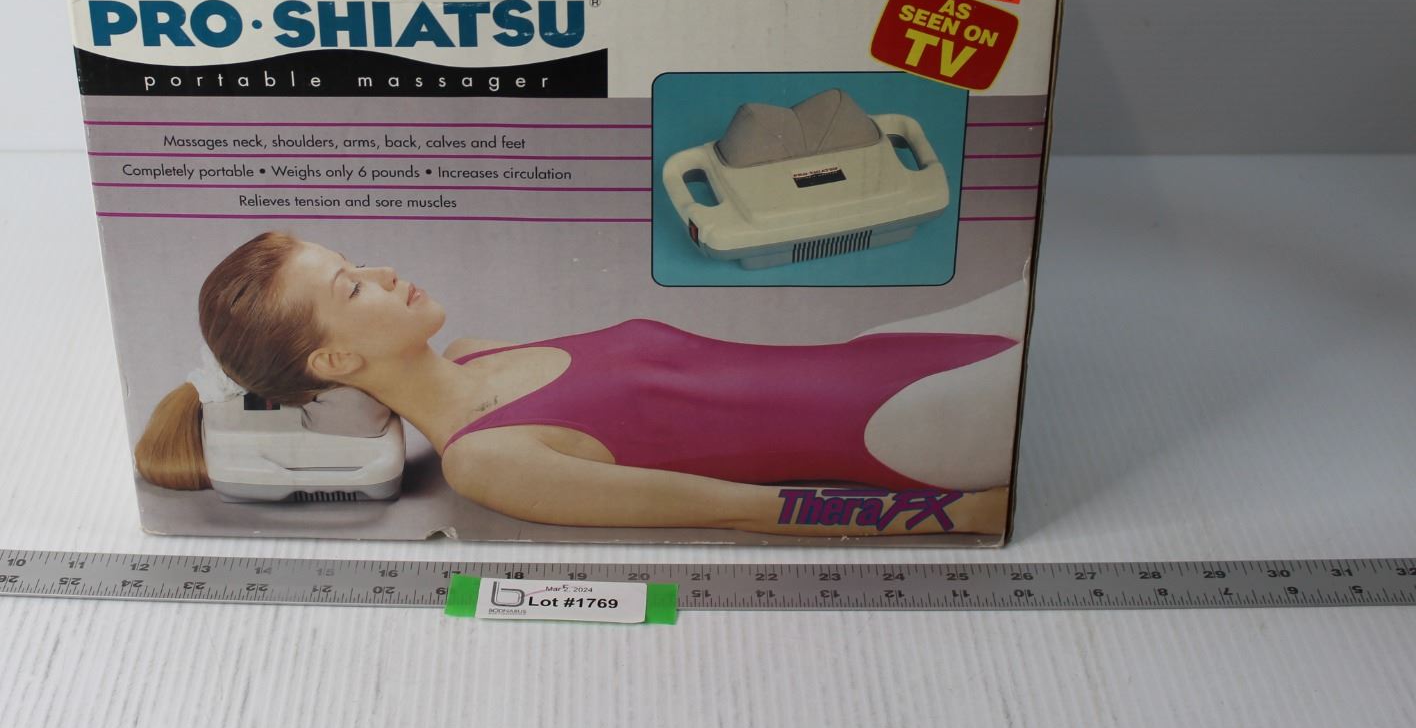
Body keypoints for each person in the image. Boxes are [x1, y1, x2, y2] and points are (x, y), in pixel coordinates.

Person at [135, 232, 1020, 537]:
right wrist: (954, 517)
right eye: (352, 287)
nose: (385, 272)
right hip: (915, 423)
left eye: (357, 262)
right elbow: (739, 508)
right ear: (332, 363)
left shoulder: (480, 352)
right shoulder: (488, 461)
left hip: (896, 350)